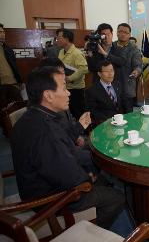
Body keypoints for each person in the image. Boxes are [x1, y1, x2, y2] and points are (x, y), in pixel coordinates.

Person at [11, 65, 125, 230]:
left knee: (104, 178)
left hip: (40, 183)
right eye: (64, 87)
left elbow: (65, 151)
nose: (69, 92)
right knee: (117, 198)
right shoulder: (45, 131)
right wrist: (88, 175)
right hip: (53, 200)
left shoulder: (35, 116)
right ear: (48, 95)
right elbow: (71, 177)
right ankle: (89, 233)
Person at [56, 28, 88, 119]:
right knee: (69, 113)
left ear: (67, 38)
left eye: (59, 38)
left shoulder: (77, 53)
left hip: (76, 89)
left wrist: (70, 78)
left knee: (79, 112)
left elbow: (84, 68)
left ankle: (84, 132)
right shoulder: (61, 52)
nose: (57, 40)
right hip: (65, 88)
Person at [113, 23, 142, 113]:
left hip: (127, 85)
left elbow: (138, 65)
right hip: (112, 85)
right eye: (120, 31)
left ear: (129, 35)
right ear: (117, 33)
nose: (122, 34)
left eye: (125, 32)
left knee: (127, 115)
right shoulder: (111, 46)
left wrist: (136, 71)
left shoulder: (134, 49)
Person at [85, 60, 122, 125]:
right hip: (104, 123)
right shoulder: (92, 91)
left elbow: (120, 104)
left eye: (111, 70)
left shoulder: (117, 84)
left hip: (120, 120)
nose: (110, 74)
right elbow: (93, 112)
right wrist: (109, 121)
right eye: (106, 71)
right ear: (99, 74)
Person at [0, 23, 22, 110]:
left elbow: (15, 67)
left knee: (18, 108)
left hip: (13, 84)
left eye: (3, 32)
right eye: (0, 32)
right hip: (1, 86)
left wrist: (19, 81)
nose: (2, 34)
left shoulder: (8, 49)